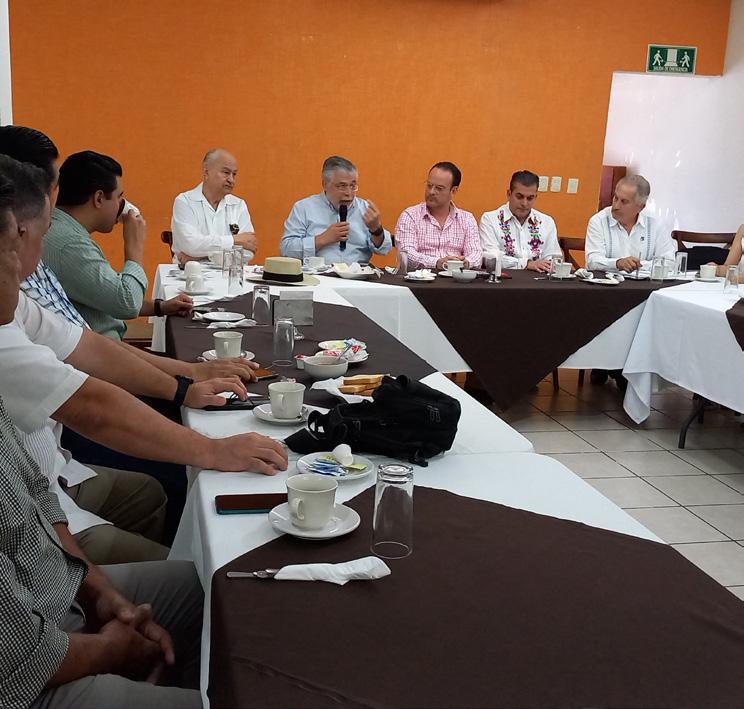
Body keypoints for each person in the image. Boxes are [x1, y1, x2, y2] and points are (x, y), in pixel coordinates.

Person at [0, 155, 288, 565]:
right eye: (43, 232)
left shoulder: (20, 296)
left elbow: (90, 345)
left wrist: (187, 380)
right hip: (38, 511)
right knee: (197, 577)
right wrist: (212, 449)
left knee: (153, 494)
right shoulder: (60, 250)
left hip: (55, 470)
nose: (40, 250)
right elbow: (91, 403)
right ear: (16, 232)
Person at [0, 171, 203, 708]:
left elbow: (38, 501)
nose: (23, 272)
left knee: (211, 588)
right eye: (11, 252)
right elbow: (17, 658)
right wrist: (113, 649)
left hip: (54, 594)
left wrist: (100, 592)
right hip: (30, 675)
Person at [41, 151, 192, 339]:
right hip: (101, 351)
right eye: (119, 197)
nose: (122, 205)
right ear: (99, 198)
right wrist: (134, 246)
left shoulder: (63, 230)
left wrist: (159, 307)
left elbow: (106, 294)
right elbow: (126, 302)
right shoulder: (69, 245)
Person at [0, 125, 89, 327]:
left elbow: (76, 337)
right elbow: (125, 302)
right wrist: (134, 247)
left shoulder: (30, 259)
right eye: (54, 187)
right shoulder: (14, 285)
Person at [280, 155, 392, 264]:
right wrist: (322, 239)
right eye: (342, 186)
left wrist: (376, 229)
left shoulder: (365, 209)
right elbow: (286, 250)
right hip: (317, 274)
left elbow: (384, 250)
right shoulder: (303, 208)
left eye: (353, 186)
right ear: (325, 184)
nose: (349, 193)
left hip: (358, 274)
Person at [171, 148, 257, 262]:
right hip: (190, 272)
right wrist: (234, 240)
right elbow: (190, 245)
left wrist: (199, 255)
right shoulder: (185, 201)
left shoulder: (239, 205)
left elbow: (248, 251)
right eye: (226, 173)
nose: (231, 180)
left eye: (234, 174)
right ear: (206, 173)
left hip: (228, 272)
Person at [395, 162, 481, 271]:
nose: (431, 192)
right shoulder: (410, 216)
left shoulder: (467, 219)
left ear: (453, 191)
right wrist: (436, 263)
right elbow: (406, 254)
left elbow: (476, 254)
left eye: (439, 188)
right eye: (429, 185)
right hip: (421, 278)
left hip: (456, 278)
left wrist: (465, 263)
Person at [584, 175, 675, 272]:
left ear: (641, 207)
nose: (616, 206)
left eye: (624, 202)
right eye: (616, 198)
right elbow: (592, 261)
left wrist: (637, 265)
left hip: (645, 281)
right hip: (606, 281)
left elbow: (669, 262)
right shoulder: (598, 221)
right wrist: (617, 263)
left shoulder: (655, 224)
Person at [479, 170, 561, 271]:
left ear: (536, 197)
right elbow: (491, 258)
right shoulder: (490, 219)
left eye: (530, 198)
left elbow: (554, 258)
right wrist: (527, 264)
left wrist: (549, 265)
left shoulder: (546, 222)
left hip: (539, 279)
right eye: (519, 197)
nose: (524, 203)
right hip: (504, 279)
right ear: (509, 194)